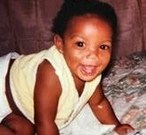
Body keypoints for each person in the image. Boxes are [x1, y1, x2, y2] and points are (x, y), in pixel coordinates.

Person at [0, 0, 134, 135]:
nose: (93, 56)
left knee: (24, 130)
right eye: (80, 44)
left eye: (103, 47)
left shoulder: (91, 70)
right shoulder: (51, 73)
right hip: (2, 84)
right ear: (60, 44)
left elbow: (99, 103)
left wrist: (116, 126)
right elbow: (45, 122)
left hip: (18, 105)